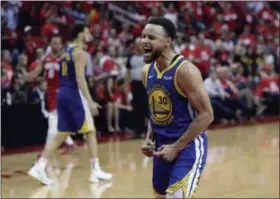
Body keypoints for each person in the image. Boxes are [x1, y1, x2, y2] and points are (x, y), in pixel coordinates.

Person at [28, 24, 112, 185]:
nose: (89, 34)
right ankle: (95, 171)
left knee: (62, 133)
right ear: (79, 35)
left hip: (62, 93)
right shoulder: (80, 53)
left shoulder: (66, 50)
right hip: (74, 93)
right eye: (86, 32)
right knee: (90, 131)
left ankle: (40, 166)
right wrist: (90, 101)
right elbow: (80, 78)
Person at [140, 17, 214, 198]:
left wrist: (176, 147)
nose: (144, 41)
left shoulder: (185, 71)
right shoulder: (146, 72)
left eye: (151, 37)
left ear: (168, 41)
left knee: (176, 196)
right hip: (162, 148)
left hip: (187, 146)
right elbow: (154, 111)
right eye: (143, 36)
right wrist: (150, 138)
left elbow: (207, 115)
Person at [24, 36, 76, 155]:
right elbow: (35, 73)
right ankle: (70, 144)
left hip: (62, 93)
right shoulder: (45, 59)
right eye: (53, 43)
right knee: (59, 123)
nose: (55, 45)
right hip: (51, 93)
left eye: (57, 43)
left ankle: (46, 152)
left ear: (61, 44)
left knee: (53, 124)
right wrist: (26, 76)